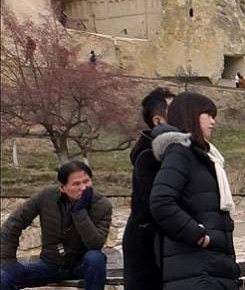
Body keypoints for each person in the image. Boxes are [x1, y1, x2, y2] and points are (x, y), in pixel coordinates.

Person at [149, 92, 240, 290]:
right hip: (195, 270)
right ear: (189, 115)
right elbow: (161, 202)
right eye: (207, 114)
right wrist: (199, 235)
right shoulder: (180, 154)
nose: (213, 122)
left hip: (210, 268)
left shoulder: (206, 158)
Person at [0, 161, 112, 290]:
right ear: (62, 187)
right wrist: (7, 261)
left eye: (86, 182)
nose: (83, 188)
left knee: (96, 258)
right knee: (4, 276)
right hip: (50, 264)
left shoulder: (102, 205)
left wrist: (79, 211)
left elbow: (95, 244)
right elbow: (13, 224)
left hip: (82, 266)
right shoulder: (46, 197)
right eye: (76, 184)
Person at [122, 87, 175, 290]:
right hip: (147, 247)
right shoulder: (148, 156)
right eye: (174, 110)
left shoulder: (171, 153)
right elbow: (156, 206)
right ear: (158, 121)